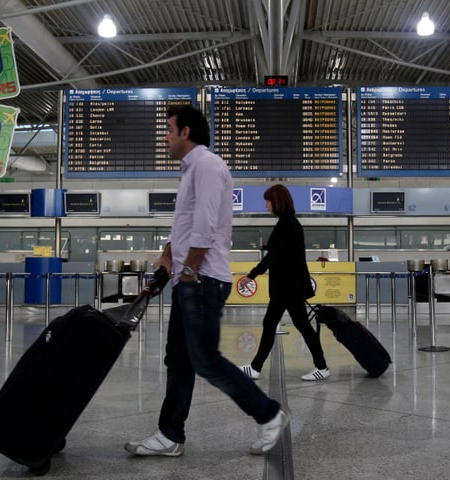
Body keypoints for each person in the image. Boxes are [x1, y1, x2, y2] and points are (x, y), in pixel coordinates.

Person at [124, 106, 289, 457]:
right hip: (190, 278)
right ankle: (170, 435)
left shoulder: (208, 164)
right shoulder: (190, 172)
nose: (165, 137)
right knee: (179, 360)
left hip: (202, 280)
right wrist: (169, 256)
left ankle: (269, 413)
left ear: (186, 132)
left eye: (169, 129)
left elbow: (205, 225)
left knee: (205, 360)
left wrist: (189, 270)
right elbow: (184, 225)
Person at [238, 184, 329, 382]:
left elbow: (272, 257)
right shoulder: (288, 223)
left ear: (277, 202)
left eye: (268, 201)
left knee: (278, 323)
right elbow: (276, 256)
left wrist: (251, 275)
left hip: (288, 287)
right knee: (297, 324)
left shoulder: (287, 224)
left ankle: (256, 367)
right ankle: (320, 366)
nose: (266, 205)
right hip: (289, 286)